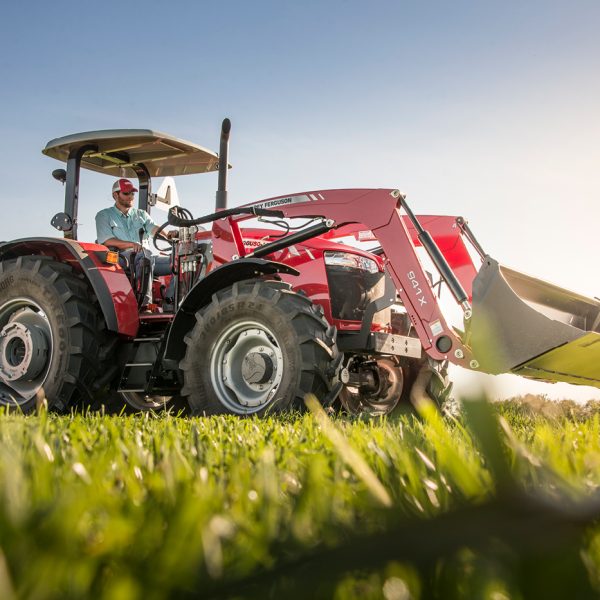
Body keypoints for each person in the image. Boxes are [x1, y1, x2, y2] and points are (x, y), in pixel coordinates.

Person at [96, 178, 177, 311]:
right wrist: (131, 244)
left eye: (132, 193)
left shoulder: (141, 215)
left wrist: (168, 234)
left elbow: (153, 228)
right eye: (126, 193)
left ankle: (170, 303)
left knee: (178, 262)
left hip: (144, 256)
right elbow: (107, 240)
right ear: (115, 195)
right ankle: (146, 304)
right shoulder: (104, 215)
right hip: (120, 258)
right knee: (145, 256)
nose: (131, 197)